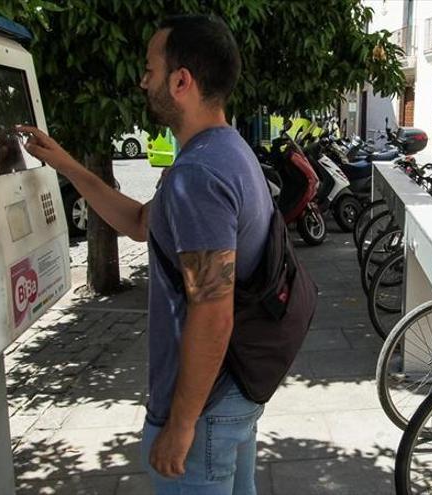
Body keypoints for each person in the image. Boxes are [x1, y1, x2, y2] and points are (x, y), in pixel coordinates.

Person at [18, 14, 273, 494]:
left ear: (181, 81)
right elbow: (139, 223)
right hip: (232, 395)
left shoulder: (197, 176)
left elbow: (212, 310)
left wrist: (179, 426)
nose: (142, 80)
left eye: (150, 69)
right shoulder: (228, 151)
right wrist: (68, 164)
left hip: (204, 410)